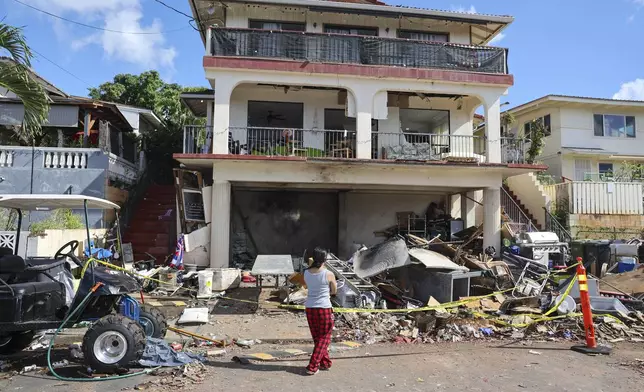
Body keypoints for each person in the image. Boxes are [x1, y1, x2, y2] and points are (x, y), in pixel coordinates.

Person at [303, 247, 337, 375]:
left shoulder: (306, 272)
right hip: (324, 308)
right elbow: (334, 291)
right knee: (324, 337)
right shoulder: (328, 274)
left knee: (318, 338)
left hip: (310, 308)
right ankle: (312, 366)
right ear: (324, 259)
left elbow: (306, 286)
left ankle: (325, 362)